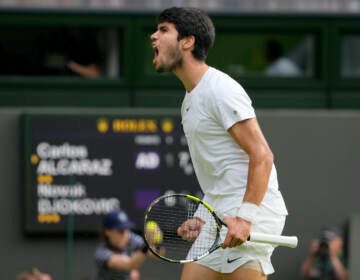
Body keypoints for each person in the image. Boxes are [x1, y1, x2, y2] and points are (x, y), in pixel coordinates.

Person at [150, 7, 288, 280]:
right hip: (220, 210)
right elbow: (219, 173)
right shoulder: (190, 100)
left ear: (187, 41)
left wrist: (245, 218)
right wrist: (202, 218)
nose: (153, 36)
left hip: (254, 210)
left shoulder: (220, 89)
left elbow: (262, 155)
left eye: (164, 30)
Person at [94, 209, 150, 280]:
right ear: (107, 232)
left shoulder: (130, 237)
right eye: (120, 231)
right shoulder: (101, 253)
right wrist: (146, 245)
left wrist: (156, 242)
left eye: (127, 229)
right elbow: (130, 264)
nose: (125, 234)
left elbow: (156, 252)